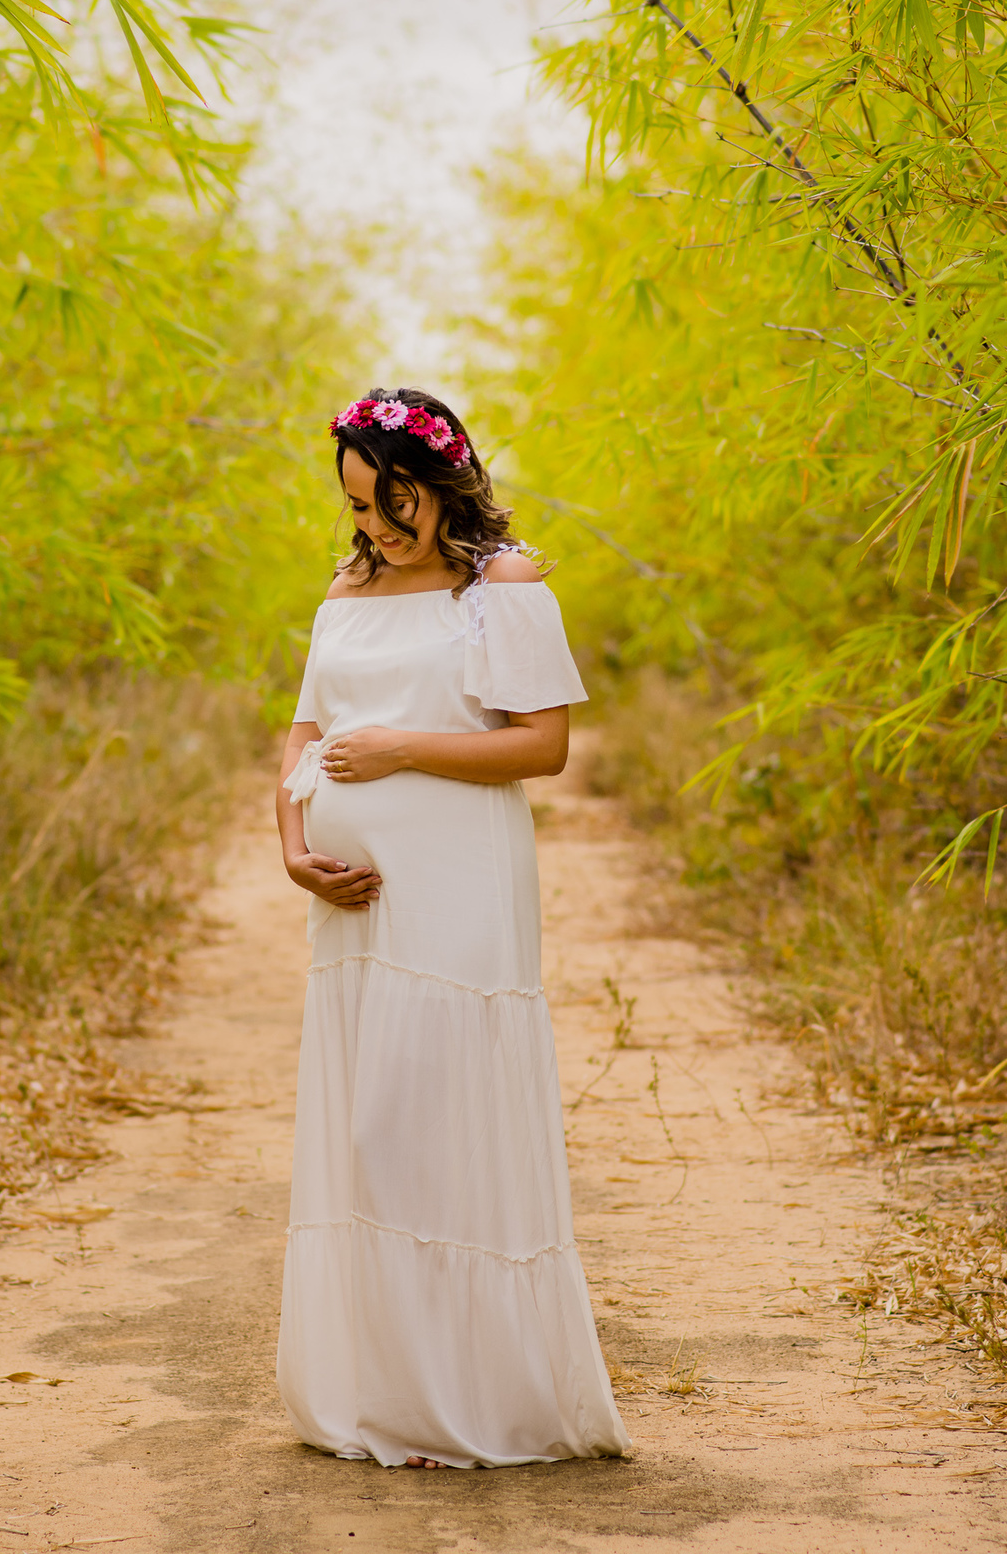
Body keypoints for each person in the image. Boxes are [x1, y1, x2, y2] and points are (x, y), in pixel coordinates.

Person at [275, 386, 630, 1470]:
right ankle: (390, 1394)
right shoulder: (349, 582)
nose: (375, 528)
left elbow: (542, 747)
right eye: (357, 508)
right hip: (356, 900)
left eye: (393, 505)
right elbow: (301, 730)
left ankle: (476, 1400)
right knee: (371, 1129)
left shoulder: (503, 585)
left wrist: (401, 750)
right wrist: (293, 850)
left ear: (441, 483)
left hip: (463, 880)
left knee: (435, 1116)